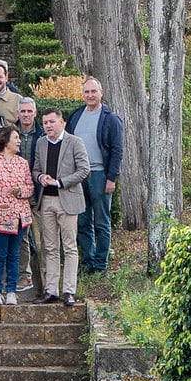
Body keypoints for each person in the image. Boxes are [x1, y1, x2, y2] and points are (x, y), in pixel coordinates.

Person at [28, 107, 90, 308]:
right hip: (46, 201)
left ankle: (69, 290)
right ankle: (51, 290)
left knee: (70, 247)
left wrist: (61, 182)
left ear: (61, 122)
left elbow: (84, 171)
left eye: (51, 122)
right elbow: (35, 168)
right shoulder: (40, 143)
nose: (48, 126)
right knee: (50, 247)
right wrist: (41, 177)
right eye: (45, 122)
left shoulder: (75, 142)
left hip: (68, 199)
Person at [68, 76, 124, 277]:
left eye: (94, 91)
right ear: (82, 95)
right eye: (86, 92)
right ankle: (88, 261)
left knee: (101, 221)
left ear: (101, 93)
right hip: (78, 177)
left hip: (100, 175)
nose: (90, 95)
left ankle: (101, 262)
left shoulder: (110, 118)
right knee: (83, 221)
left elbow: (117, 150)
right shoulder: (75, 116)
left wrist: (112, 178)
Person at [0, 123, 33, 305]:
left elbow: (30, 187)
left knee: (14, 255)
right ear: (5, 140)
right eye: (16, 138)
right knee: (0, 254)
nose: (19, 141)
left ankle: (11, 290)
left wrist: (21, 191)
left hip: (19, 216)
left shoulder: (22, 162)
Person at [15, 93, 44, 294]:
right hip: (17, 194)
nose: (26, 115)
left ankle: (45, 279)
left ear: (35, 113)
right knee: (22, 239)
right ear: (18, 113)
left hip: (39, 193)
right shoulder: (10, 133)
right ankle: (24, 276)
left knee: (42, 238)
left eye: (29, 111)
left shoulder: (42, 135)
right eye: (22, 111)